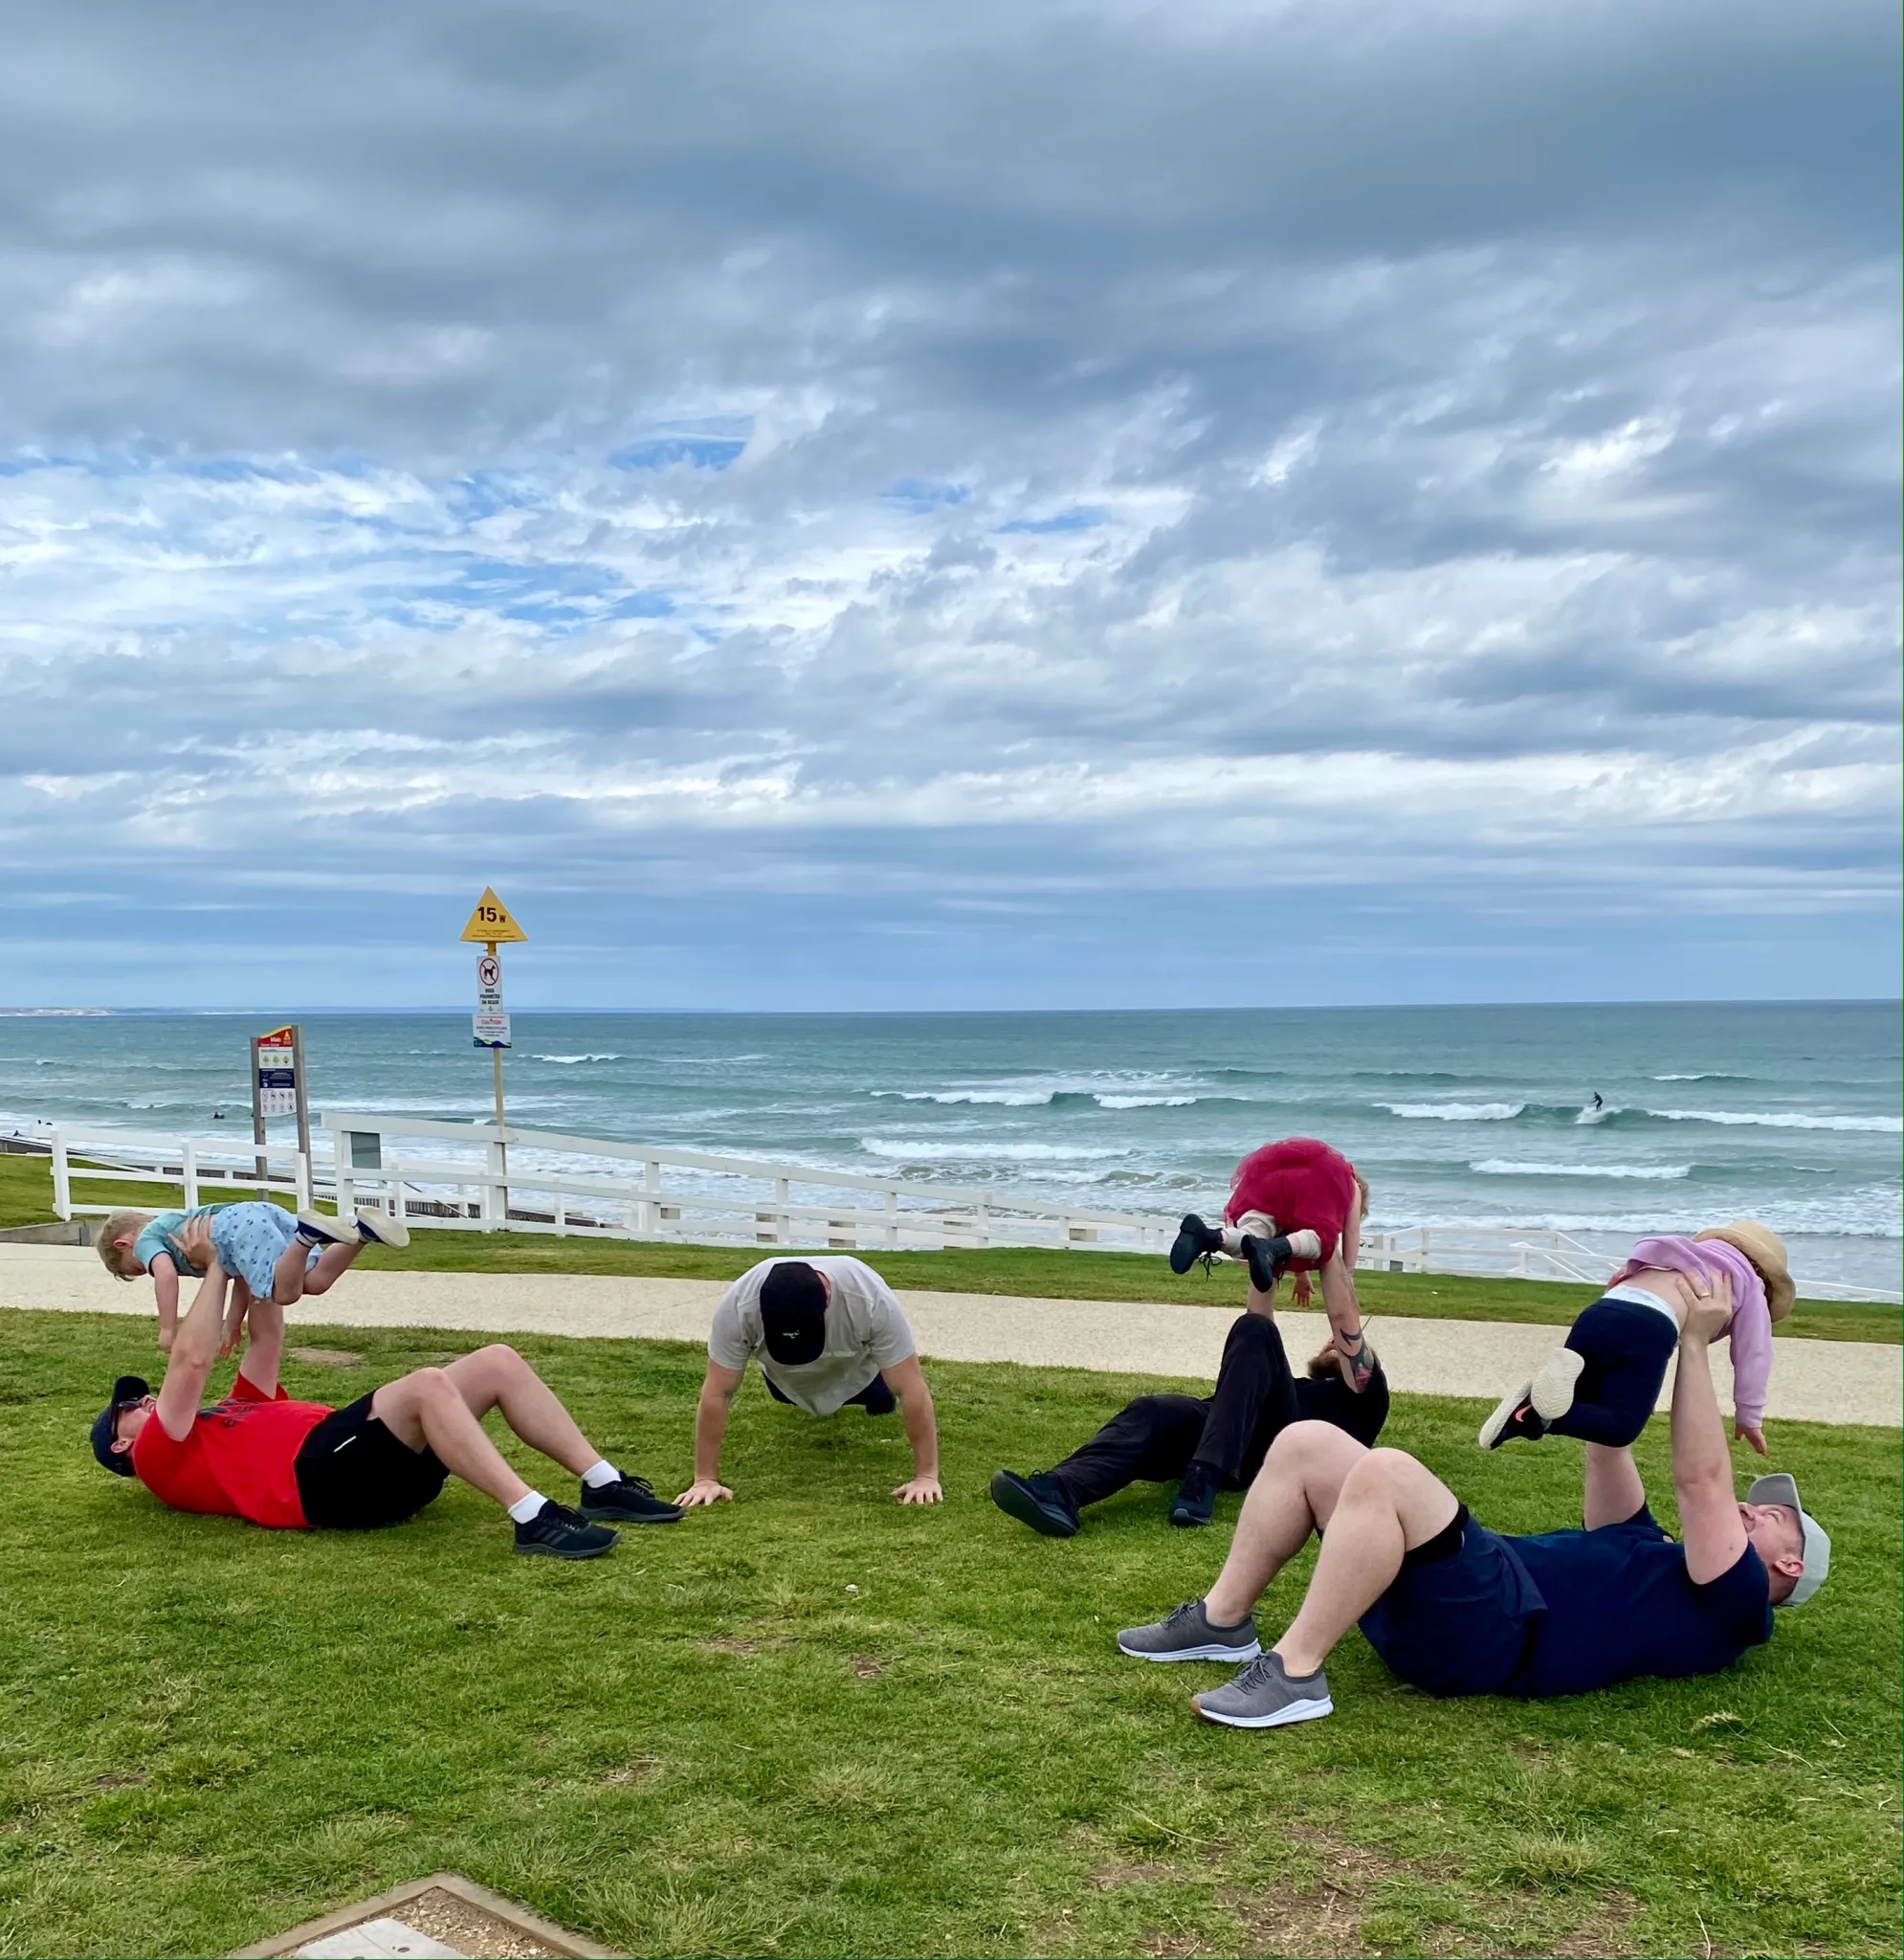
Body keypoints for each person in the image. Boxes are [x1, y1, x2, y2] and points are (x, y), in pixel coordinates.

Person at [1114, 1266, 1827, 1729]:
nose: (1749, 1509)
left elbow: (1701, 1480)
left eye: (1771, 1518)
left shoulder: (1734, 1608)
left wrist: (1698, 1344)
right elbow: (1611, 1441)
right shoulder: (1652, 1552)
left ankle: (1297, 1672)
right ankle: (1222, 1621)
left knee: (1387, 1471)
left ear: (1787, 1569)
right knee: (1308, 1444)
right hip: (1465, 1599)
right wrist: (1639, 1322)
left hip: (1495, 1632)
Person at [91, 1213, 680, 1555]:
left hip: (364, 1462)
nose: (142, 1401)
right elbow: (189, 1364)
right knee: (425, 1385)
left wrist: (242, 1258)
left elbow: (267, 1336)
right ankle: (532, 1518)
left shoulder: (232, 1411)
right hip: (320, 1482)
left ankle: (602, 1484)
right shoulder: (159, 1457)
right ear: (123, 1445)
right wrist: (216, 1262)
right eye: (129, 1409)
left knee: (496, 1360)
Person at [991, 1316, 1389, 1537]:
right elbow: (1257, 1321)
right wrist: (1265, 1256)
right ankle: (1062, 1491)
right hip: (1220, 1432)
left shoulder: (1364, 1399)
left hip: (1278, 1448)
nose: (1331, 1344)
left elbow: (1346, 1327)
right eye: (1329, 1342)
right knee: (1155, 1410)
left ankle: (1203, 1479)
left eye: (1344, 1345)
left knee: (1258, 1330)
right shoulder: (1293, 1384)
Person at [1478, 1220, 1790, 1457]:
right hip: (1649, 1326)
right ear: (1763, 1274)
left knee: (1579, 1400)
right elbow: (1753, 1354)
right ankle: (1531, 1414)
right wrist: (1749, 1415)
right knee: (1620, 1426)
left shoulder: (1675, 1255)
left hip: (1599, 1312)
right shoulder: (1750, 1285)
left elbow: (1619, 1277)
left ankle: (1529, 1410)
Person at [675, 1256, 941, 1508]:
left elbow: (910, 1387)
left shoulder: (868, 1296)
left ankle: (873, 1395)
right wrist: (705, 1479)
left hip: (860, 1376)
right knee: (785, 1392)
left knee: (882, 1399)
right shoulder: (739, 1304)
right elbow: (717, 1391)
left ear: (827, 1298)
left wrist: (926, 1477)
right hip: (785, 1383)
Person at [1170, 1139, 1376, 1392]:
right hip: (1307, 1193)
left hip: (1268, 1181)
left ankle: (1212, 1238)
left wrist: (1301, 1275)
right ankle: (1271, 1248)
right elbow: (1352, 1232)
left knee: (1254, 1232)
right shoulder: (1348, 1185)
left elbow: (1295, 1220)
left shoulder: (1304, 1171)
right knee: (1322, 1241)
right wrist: (1349, 1274)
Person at [98, 1201, 409, 1356]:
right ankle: (362, 1232)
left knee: (282, 1294)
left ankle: (307, 1236)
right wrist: (232, 1325)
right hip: (255, 1215)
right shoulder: (175, 1227)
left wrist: (167, 1328)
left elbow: (164, 1275)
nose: (148, 1267)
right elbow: (244, 1278)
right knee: (312, 1282)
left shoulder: (148, 1239)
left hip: (235, 1226)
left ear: (124, 1245)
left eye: (138, 1268)